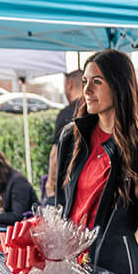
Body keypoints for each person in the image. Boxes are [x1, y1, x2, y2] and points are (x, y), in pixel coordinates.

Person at [52, 50, 138, 274]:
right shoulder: (71, 138)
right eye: (85, 81)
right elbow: (62, 206)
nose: (87, 90)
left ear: (118, 85)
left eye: (97, 82)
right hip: (70, 272)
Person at [45, 69, 83, 203]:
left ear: (69, 83)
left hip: (67, 184)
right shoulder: (94, 111)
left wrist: (50, 185)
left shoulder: (66, 114)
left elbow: (55, 155)